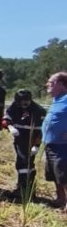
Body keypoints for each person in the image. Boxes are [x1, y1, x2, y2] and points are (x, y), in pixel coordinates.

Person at [4, 89, 46, 201]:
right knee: (22, 163)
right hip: (19, 138)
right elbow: (6, 118)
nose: (24, 104)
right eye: (21, 101)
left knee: (25, 164)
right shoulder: (15, 106)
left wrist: (37, 145)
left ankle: (25, 191)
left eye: (26, 101)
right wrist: (10, 127)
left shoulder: (38, 110)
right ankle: (22, 188)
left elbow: (41, 131)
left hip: (31, 138)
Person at [42, 71, 67, 212]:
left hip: (63, 146)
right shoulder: (56, 100)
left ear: (61, 84)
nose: (48, 85)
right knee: (55, 173)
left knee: (64, 174)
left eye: (51, 82)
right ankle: (60, 199)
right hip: (51, 143)